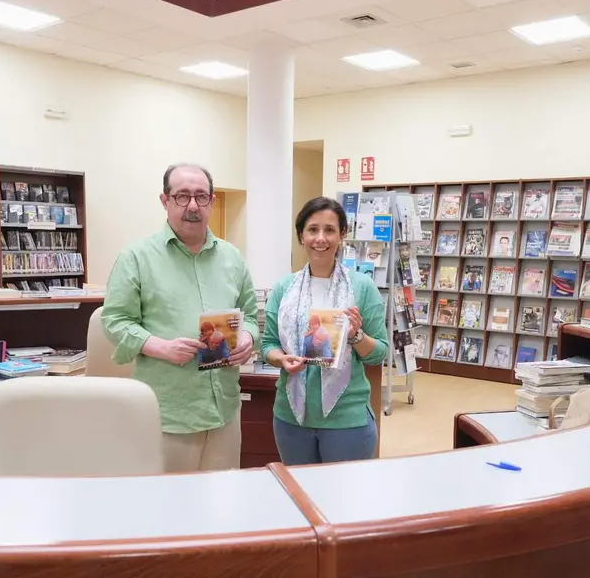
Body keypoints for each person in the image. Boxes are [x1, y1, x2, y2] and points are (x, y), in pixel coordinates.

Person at [103, 163, 258, 472]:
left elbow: (250, 314)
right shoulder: (136, 258)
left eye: (201, 197)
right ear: (165, 201)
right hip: (170, 412)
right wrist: (160, 347)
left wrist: (247, 337)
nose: (192, 206)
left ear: (212, 202)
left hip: (224, 408)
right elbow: (115, 320)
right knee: (171, 510)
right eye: (182, 196)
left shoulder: (232, 258)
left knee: (223, 506)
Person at [261, 197, 388, 466]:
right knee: (300, 499)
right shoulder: (284, 288)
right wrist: (280, 359)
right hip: (291, 419)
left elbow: (379, 353)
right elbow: (268, 344)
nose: (321, 238)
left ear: (342, 235)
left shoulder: (362, 288)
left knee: (344, 503)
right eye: (312, 229)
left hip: (347, 421)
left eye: (330, 230)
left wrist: (356, 335)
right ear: (301, 236)